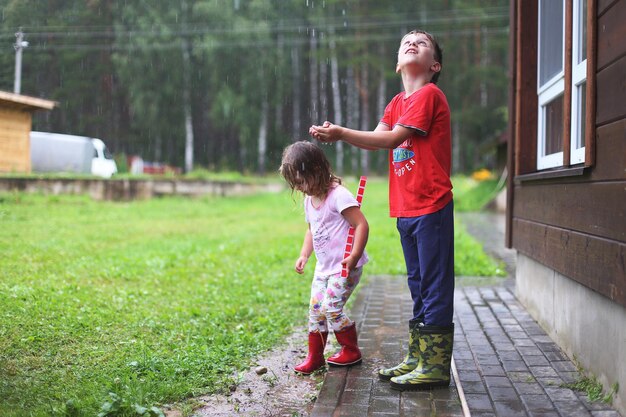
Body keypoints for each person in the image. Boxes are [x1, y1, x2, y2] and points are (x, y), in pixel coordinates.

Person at [309, 30, 454, 391]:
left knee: (434, 284)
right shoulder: (396, 103)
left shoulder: (428, 94)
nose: (412, 44)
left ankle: (434, 365)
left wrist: (342, 132)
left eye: (421, 44)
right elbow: (376, 140)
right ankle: (418, 355)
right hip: (406, 209)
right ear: (397, 63)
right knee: (418, 283)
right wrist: (339, 134)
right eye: (405, 41)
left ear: (434, 65)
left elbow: (390, 140)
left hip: (432, 204)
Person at [279, 141, 369, 375]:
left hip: (345, 266)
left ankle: (351, 349)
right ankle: (315, 356)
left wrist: (354, 255)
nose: (299, 188)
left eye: (300, 181)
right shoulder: (310, 201)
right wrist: (304, 255)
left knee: (331, 307)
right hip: (324, 268)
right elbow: (312, 230)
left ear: (316, 171)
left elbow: (361, 224)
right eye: (294, 184)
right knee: (316, 309)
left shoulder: (339, 196)